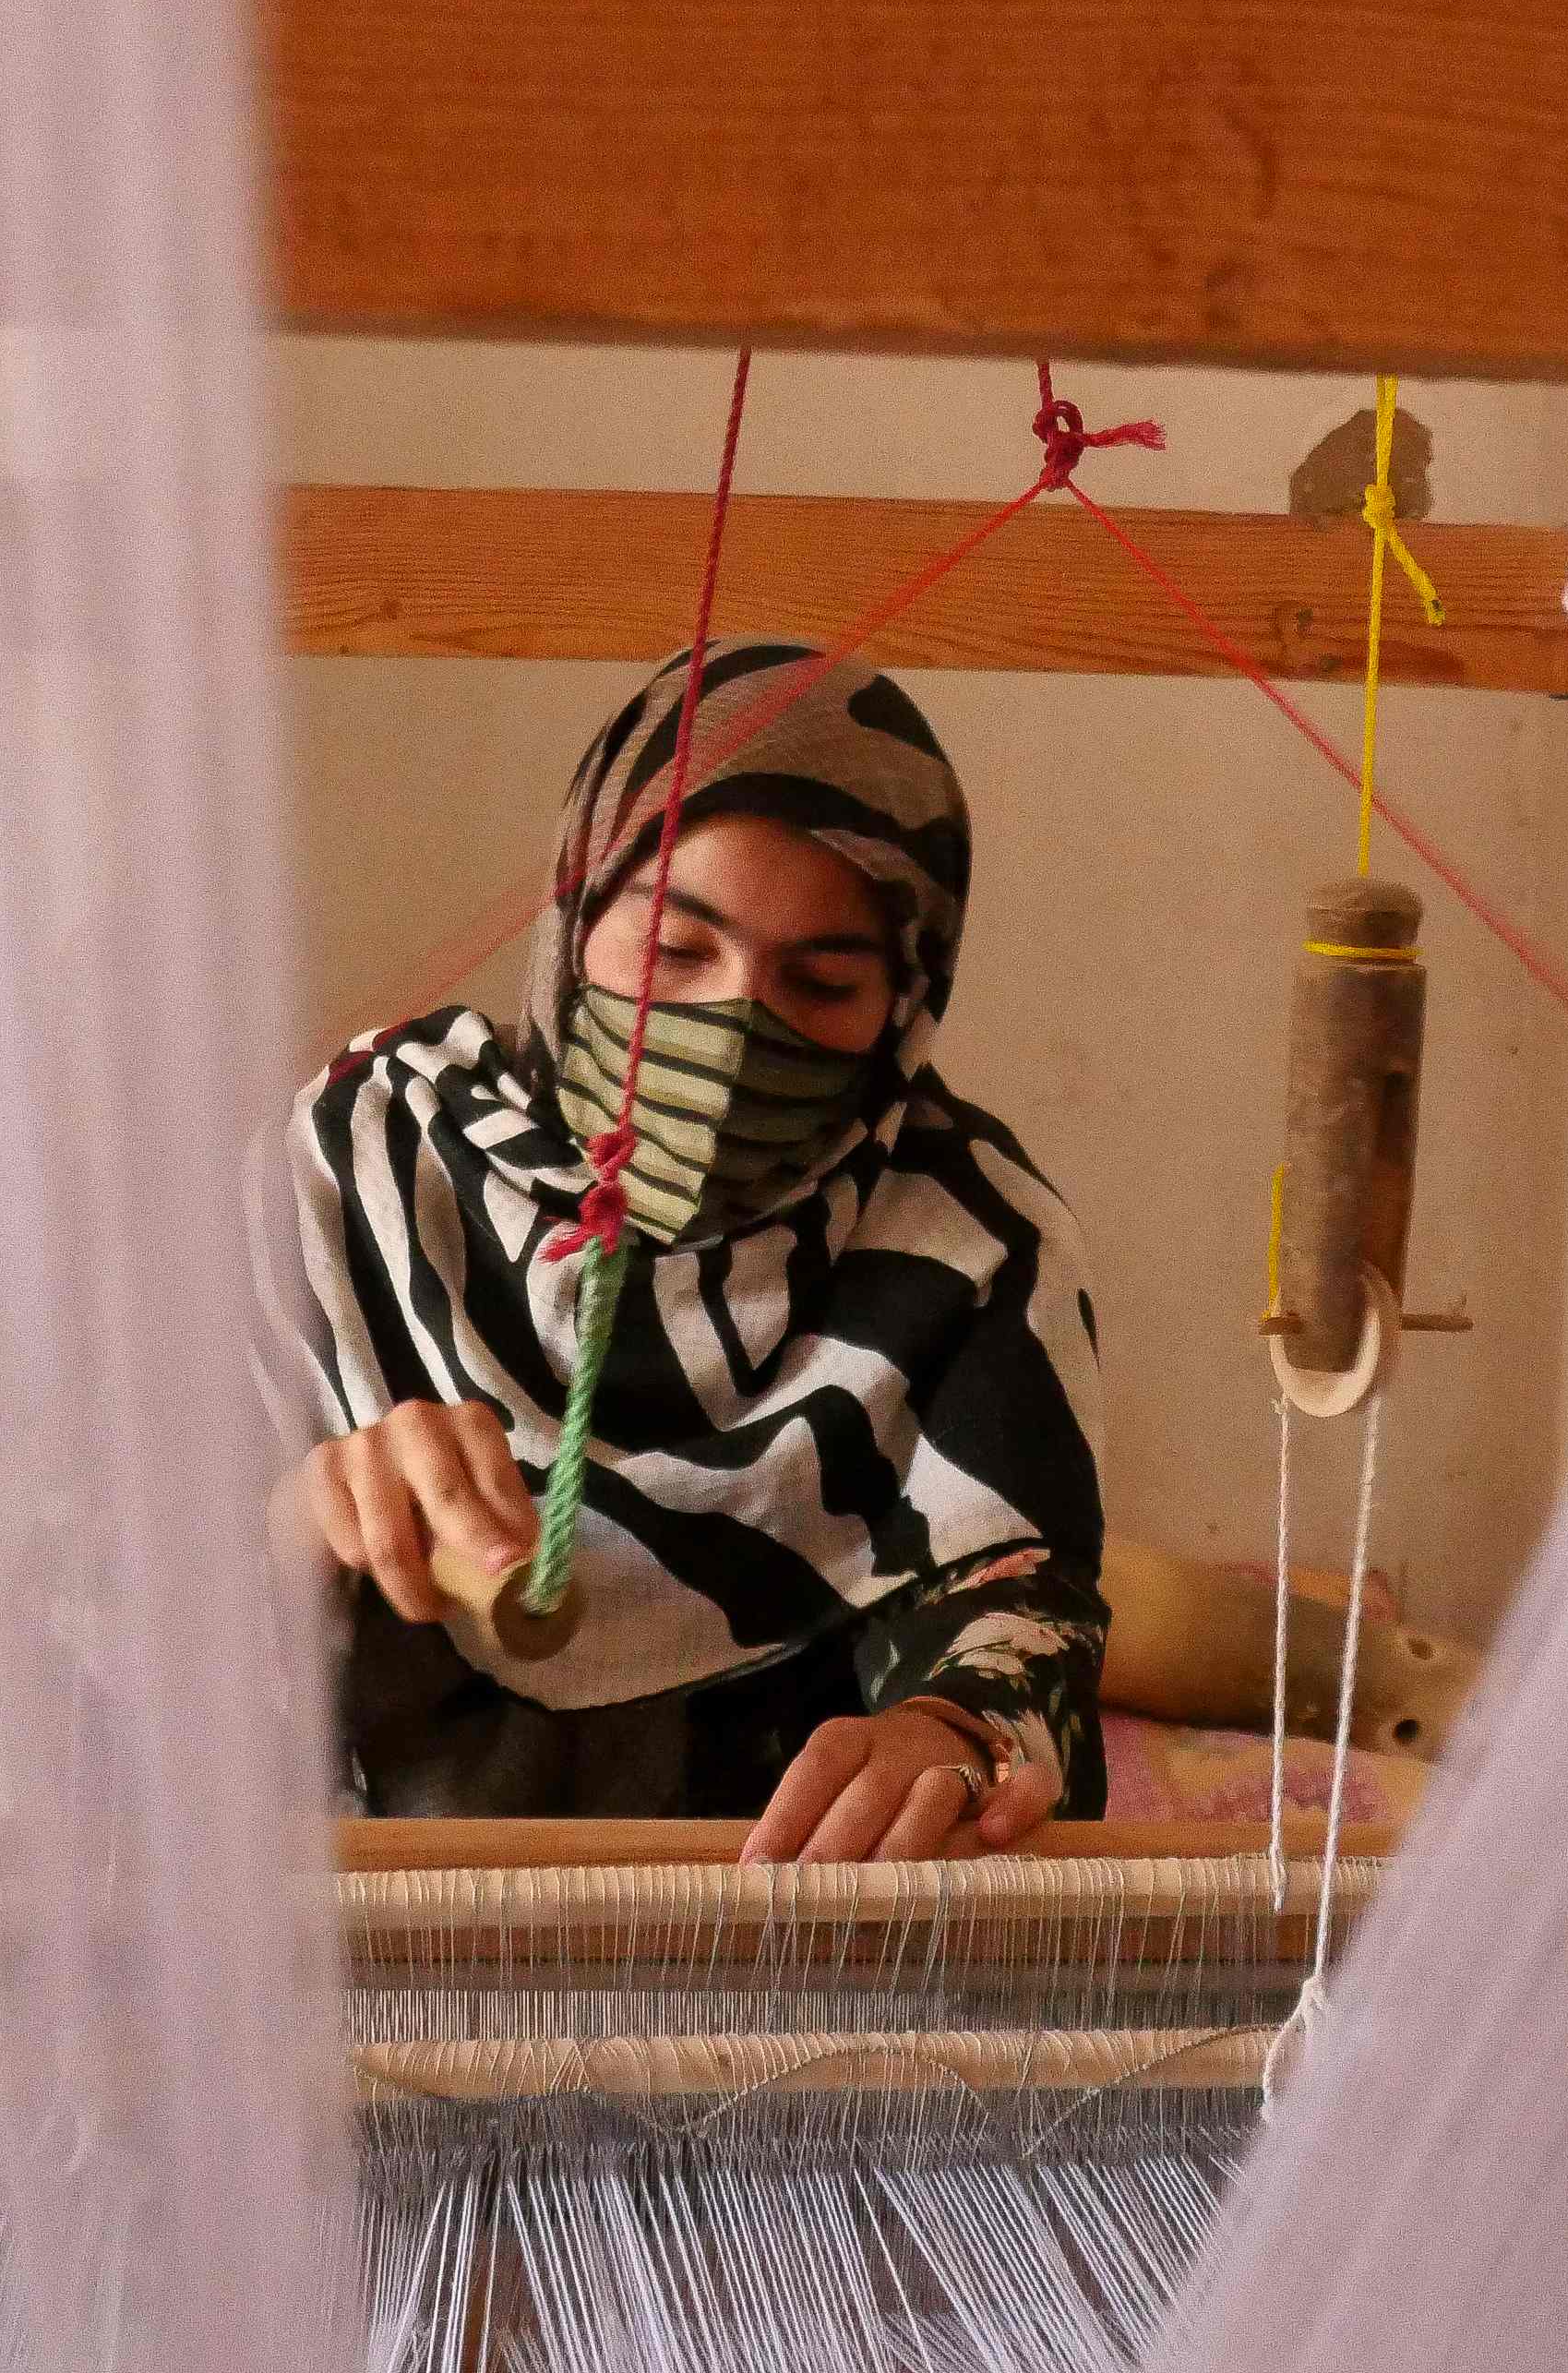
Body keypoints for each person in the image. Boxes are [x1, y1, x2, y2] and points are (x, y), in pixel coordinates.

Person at [262, 641, 1107, 1863]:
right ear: (576, 916)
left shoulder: (968, 1241)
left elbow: (1022, 1606)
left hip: (782, 1940)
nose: (730, 1029)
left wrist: (954, 1732)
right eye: (674, 952)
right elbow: (100, 1615)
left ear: (906, 1005)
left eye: (823, 984)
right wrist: (300, 1520)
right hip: (366, 1936)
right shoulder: (362, 1167)